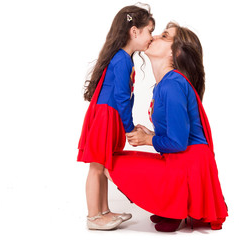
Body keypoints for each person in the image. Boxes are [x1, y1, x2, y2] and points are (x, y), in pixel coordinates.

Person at [106, 22, 228, 232]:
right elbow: (181, 135)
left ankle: (174, 207)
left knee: (110, 164)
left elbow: (179, 143)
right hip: (183, 162)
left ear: (176, 52)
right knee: (115, 159)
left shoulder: (172, 84)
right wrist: (152, 134)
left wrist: (147, 140)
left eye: (164, 36)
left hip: (188, 166)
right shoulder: (167, 83)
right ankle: (173, 207)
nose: (154, 37)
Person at [77, 4, 155, 230]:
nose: (151, 36)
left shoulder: (124, 58)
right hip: (106, 115)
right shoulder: (122, 59)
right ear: (134, 31)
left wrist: (126, 124)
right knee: (96, 167)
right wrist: (129, 127)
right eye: (149, 31)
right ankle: (94, 216)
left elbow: (124, 98)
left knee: (101, 166)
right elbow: (122, 97)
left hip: (109, 116)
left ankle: (103, 211)